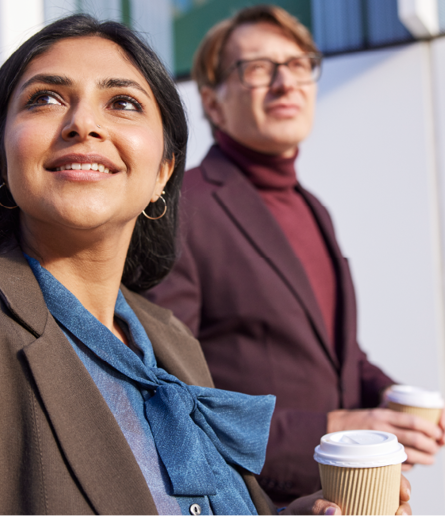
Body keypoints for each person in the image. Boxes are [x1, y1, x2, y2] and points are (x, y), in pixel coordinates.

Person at [0, 13, 413, 516]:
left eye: (122, 102)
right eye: (46, 98)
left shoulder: (171, 340)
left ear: (163, 173)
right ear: (1, 151)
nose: (84, 123)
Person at [146, 4, 445, 507]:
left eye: (300, 65)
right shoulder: (183, 209)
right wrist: (329, 429)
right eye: (259, 68)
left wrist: (390, 398)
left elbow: (340, 354)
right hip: (257, 501)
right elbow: (170, 390)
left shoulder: (315, 210)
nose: (287, 83)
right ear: (213, 103)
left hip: (349, 494)